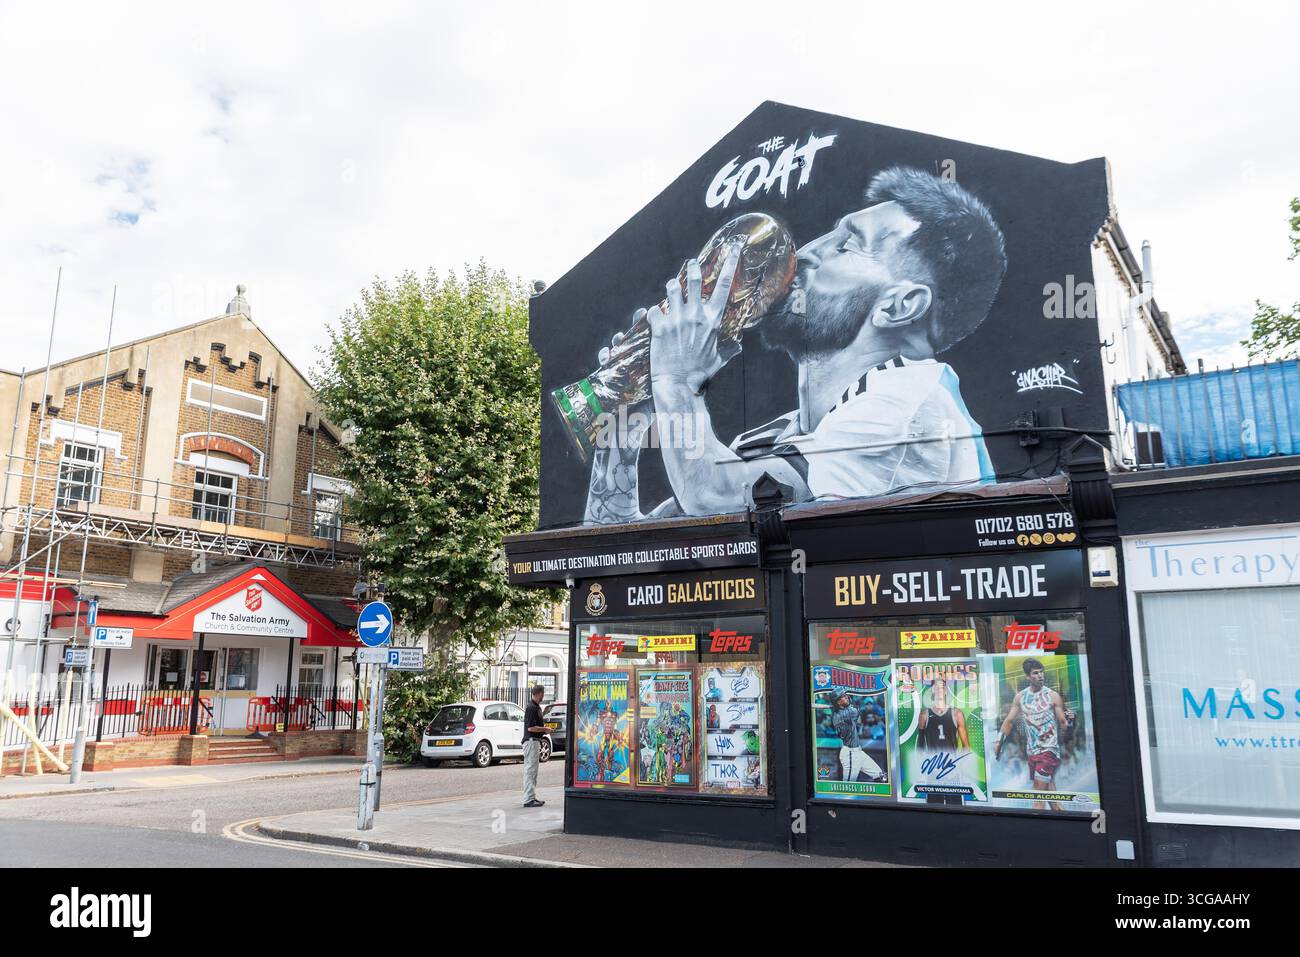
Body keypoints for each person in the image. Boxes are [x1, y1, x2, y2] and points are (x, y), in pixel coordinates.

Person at [585, 165, 1007, 524]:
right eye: (829, 232)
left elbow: (711, 496)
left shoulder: (909, 410)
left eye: (849, 244)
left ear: (900, 305)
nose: (804, 253)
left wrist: (676, 380)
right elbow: (621, 548)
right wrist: (625, 421)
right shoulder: (788, 434)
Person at [995, 657, 1075, 810]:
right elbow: (1009, 721)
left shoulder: (1053, 696)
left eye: (1042, 672)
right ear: (1027, 677)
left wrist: (1071, 722)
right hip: (1032, 752)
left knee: (1038, 797)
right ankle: (1064, 824)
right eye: (1036, 673)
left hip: (1048, 751)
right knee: (1052, 798)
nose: (1040, 676)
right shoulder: (1020, 697)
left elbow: (1064, 723)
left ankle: (1031, 830)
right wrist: (999, 741)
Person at [830, 689, 883, 783]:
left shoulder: (840, 713)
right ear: (838, 702)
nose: (846, 696)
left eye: (845, 695)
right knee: (848, 786)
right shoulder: (846, 713)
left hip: (858, 752)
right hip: (850, 753)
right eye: (842, 696)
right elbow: (855, 709)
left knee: (880, 775)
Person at [522, 685, 548, 808]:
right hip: (531, 741)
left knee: (532, 771)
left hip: (534, 741)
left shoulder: (535, 707)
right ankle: (528, 799)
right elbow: (531, 727)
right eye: (543, 693)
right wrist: (545, 729)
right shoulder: (531, 708)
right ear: (538, 693)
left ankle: (531, 797)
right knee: (530, 771)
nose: (543, 696)